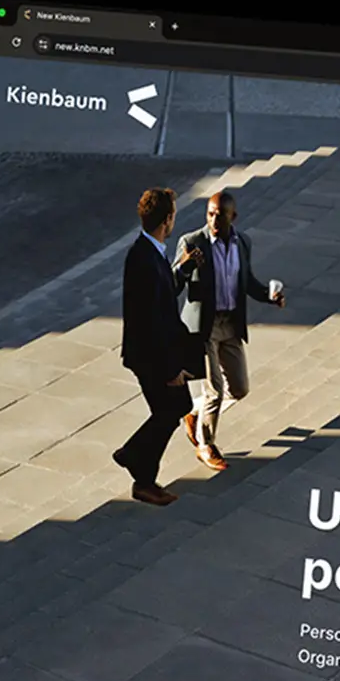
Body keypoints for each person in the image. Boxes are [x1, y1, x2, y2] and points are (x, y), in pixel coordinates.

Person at [173, 188, 285, 471]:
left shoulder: (243, 243)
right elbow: (170, 285)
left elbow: (247, 281)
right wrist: (184, 267)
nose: (214, 220)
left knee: (240, 388)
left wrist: (269, 296)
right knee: (215, 391)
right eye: (210, 214)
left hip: (230, 325)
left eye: (220, 216)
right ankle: (205, 444)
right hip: (204, 328)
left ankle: (194, 412)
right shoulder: (192, 242)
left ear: (233, 217)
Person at [112, 186, 198, 506]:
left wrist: (183, 268)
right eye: (173, 214)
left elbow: (161, 295)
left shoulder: (152, 251)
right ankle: (137, 466)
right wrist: (170, 369)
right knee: (171, 408)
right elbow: (151, 321)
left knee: (174, 408)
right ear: (167, 220)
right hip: (149, 356)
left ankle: (139, 467)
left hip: (154, 352)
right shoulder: (143, 258)